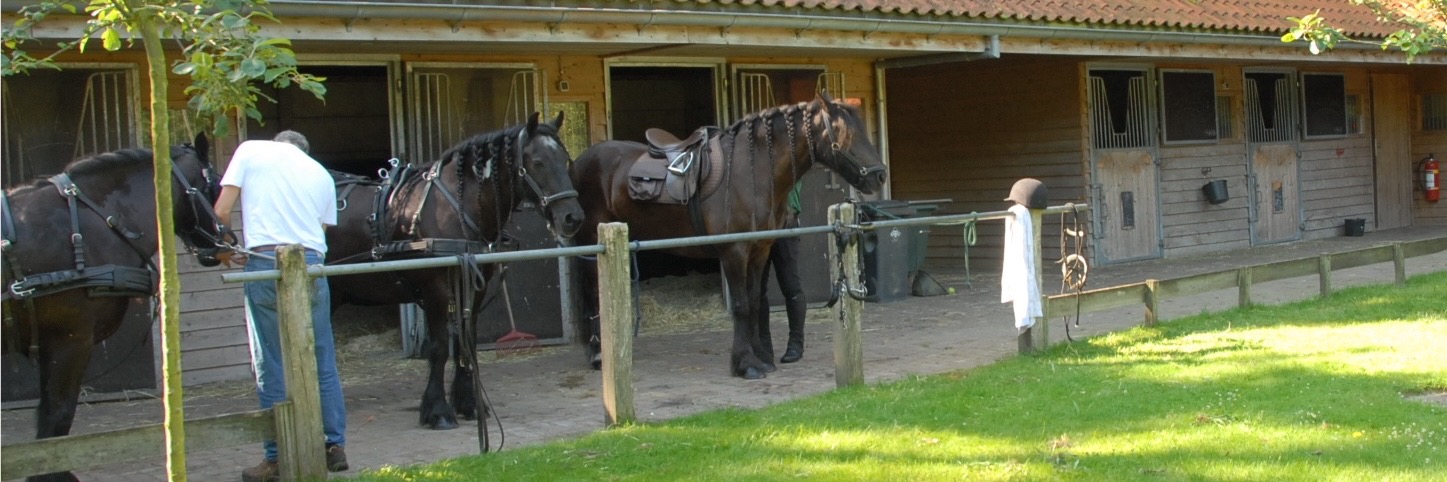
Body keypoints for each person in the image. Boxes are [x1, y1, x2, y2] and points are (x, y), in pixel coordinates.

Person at [213, 130, 348, 482]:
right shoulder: (320, 173)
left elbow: (222, 211)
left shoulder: (250, 150)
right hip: (313, 263)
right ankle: (334, 445)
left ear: (278, 142)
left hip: (266, 260)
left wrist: (226, 247)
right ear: (303, 149)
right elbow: (317, 230)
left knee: (270, 360)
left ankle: (276, 457)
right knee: (322, 357)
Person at [760, 181, 808, 364]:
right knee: (758, 287)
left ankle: (796, 343)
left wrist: (791, 207)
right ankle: (764, 347)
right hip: (762, 221)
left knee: (790, 285)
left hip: (785, 221)